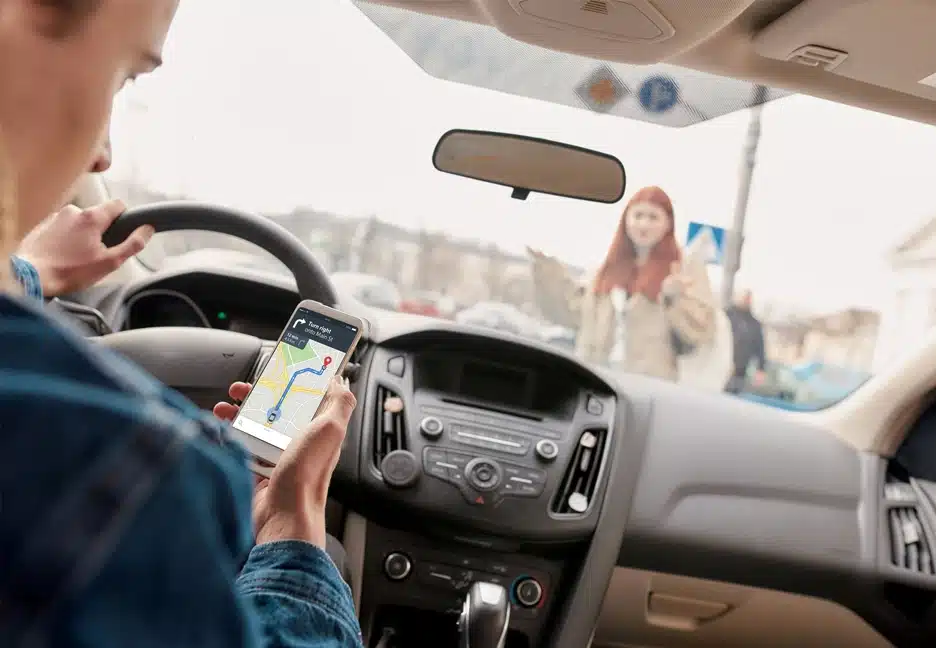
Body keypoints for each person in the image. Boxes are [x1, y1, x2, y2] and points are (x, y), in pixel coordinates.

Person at [0, 3, 362, 648]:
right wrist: (294, 530)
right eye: (123, 77)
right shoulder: (120, 465)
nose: (103, 154)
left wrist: (27, 271)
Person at [575, 185, 717, 381]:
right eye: (638, 215)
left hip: (652, 386)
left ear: (668, 223)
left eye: (653, 217)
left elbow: (701, 331)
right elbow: (581, 322)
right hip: (600, 379)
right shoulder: (607, 270)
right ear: (626, 219)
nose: (643, 224)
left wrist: (674, 300)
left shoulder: (684, 268)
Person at [724, 288, 768, 394]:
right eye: (743, 297)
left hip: (740, 372)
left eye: (748, 298)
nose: (745, 300)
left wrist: (761, 369)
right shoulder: (726, 316)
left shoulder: (754, 324)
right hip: (722, 366)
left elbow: (760, 348)